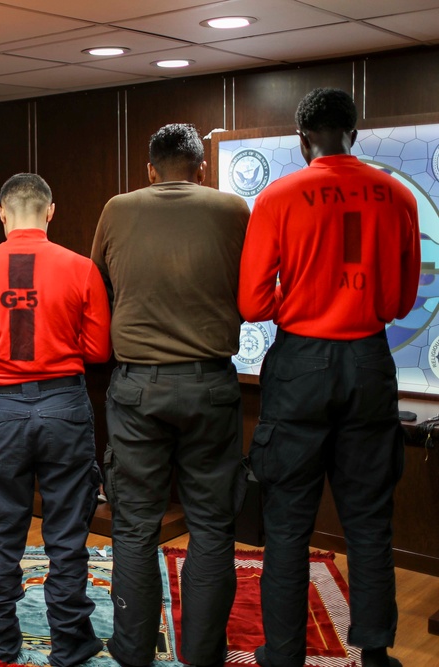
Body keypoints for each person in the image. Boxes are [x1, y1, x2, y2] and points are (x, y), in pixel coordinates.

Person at [238, 88, 419, 667]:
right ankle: (376, 654)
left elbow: (252, 302)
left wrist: (301, 294)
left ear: (302, 137)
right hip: (368, 361)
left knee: (287, 519)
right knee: (368, 517)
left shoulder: (278, 196)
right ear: (354, 133)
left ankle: (284, 652)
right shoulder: (397, 195)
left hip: (300, 365)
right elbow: (400, 300)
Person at [90, 124, 251, 667]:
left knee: (134, 528)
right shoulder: (233, 210)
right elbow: (249, 295)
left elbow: (98, 287)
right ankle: (203, 657)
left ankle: (134, 655)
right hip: (211, 383)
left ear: (150, 170)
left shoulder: (117, 208)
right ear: (201, 169)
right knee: (211, 526)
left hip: (138, 386)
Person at [0, 173, 112, 667]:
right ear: (50, 211)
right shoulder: (81, 266)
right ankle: (71, 642)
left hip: (2, 409)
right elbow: (98, 349)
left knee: (0, 531)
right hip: (64, 405)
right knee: (66, 532)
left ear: (0, 213)